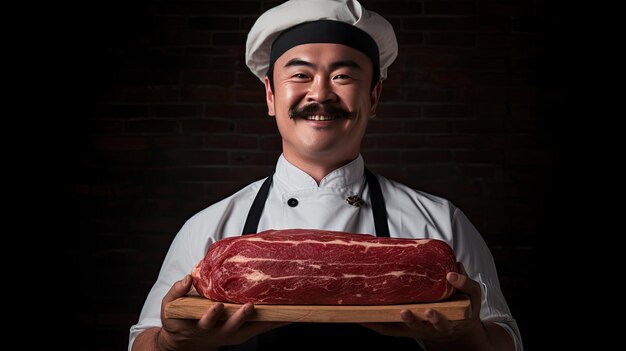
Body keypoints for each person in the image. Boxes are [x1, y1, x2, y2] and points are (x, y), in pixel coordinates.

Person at [128, 0, 523, 350]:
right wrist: (172, 344)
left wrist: (464, 339)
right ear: (270, 96)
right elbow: (143, 341)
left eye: (342, 76)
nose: (320, 94)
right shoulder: (211, 228)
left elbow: (504, 339)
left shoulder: (441, 222)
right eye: (300, 75)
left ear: (373, 96)